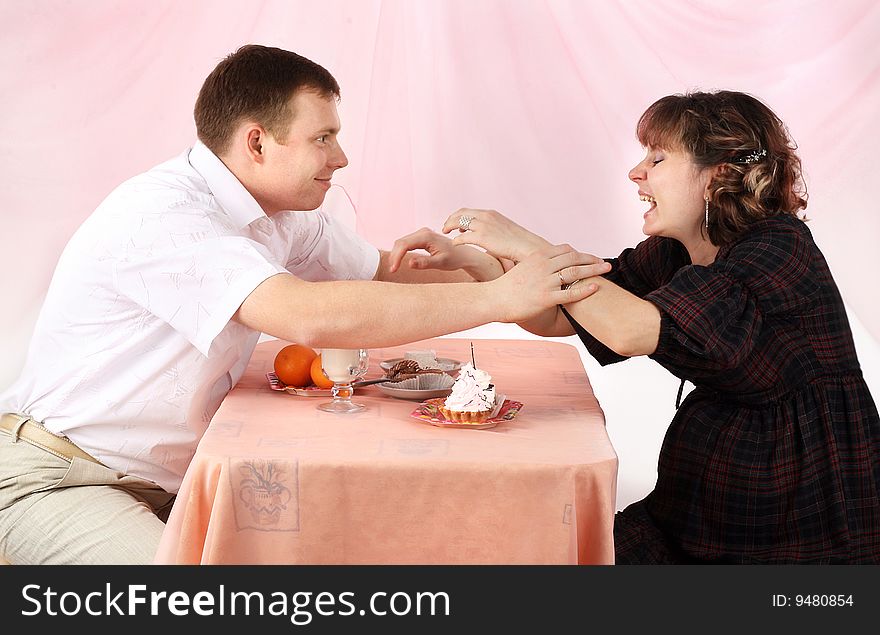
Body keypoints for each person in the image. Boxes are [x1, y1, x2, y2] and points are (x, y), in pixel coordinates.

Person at [0, 45, 607, 565]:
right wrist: (501, 297)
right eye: (324, 138)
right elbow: (305, 315)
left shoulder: (280, 215)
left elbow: (385, 282)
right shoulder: (164, 215)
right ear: (257, 142)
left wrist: (474, 268)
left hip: (187, 481)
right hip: (59, 477)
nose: (340, 159)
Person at [392, 90, 880, 563]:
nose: (636, 172)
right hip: (691, 522)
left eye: (659, 158)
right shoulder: (677, 251)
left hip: (793, 541)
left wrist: (522, 241)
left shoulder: (779, 248)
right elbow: (561, 311)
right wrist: (476, 262)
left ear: (721, 175)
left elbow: (629, 328)